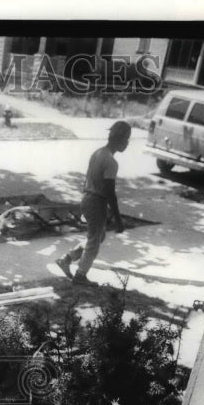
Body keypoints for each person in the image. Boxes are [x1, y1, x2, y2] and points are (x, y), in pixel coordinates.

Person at [55, 120, 131, 285]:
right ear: (120, 139)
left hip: (88, 199)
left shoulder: (98, 153)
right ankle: (80, 275)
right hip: (96, 202)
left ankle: (67, 258)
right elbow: (110, 192)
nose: (128, 143)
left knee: (98, 236)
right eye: (127, 139)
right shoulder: (111, 162)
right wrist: (118, 219)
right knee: (94, 241)